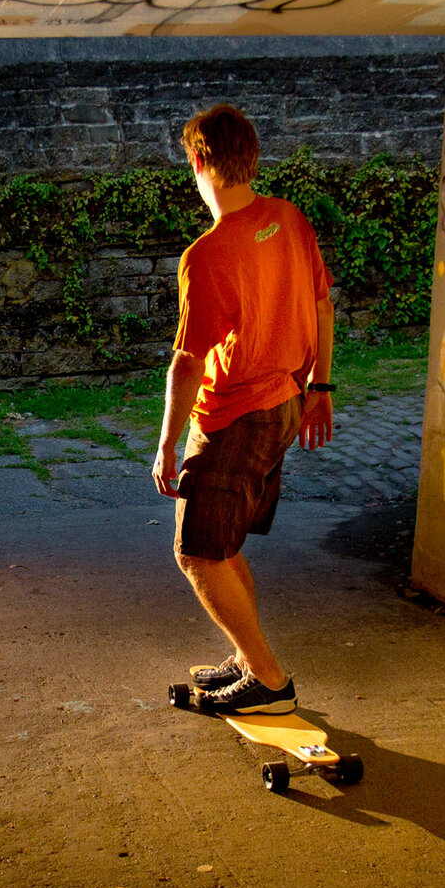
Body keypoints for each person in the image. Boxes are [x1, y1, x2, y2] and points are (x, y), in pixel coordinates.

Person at [152, 103, 335, 714]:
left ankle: (269, 682)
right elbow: (324, 305)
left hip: (235, 419)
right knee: (226, 547)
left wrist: (167, 445)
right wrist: (321, 388)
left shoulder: (206, 255)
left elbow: (188, 363)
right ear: (251, 156)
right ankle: (245, 657)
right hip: (285, 403)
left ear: (198, 161)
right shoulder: (288, 218)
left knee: (197, 553)